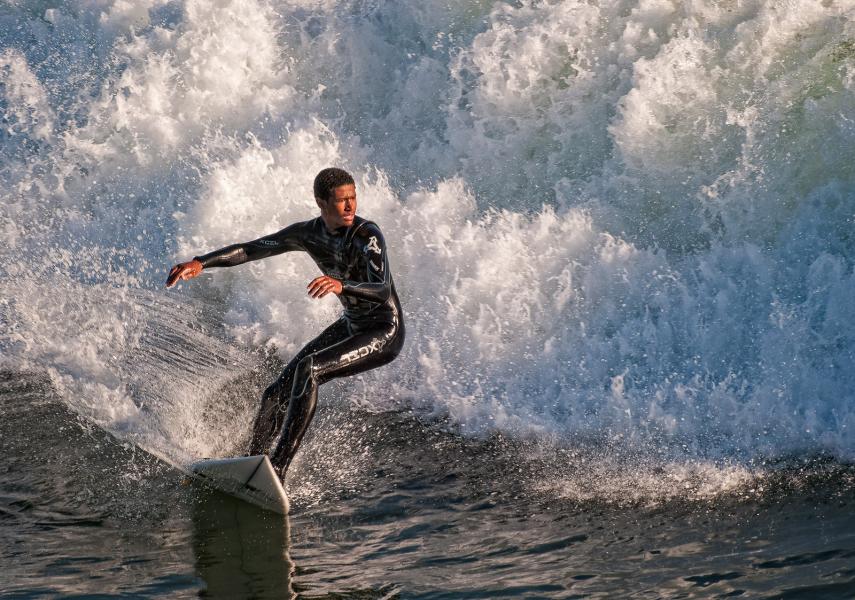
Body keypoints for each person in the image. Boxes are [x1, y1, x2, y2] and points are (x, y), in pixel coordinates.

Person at [166, 167, 405, 480]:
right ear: (322, 203)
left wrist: (341, 285)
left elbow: (383, 289)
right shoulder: (308, 234)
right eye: (341, 200)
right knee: (275, 393)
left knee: (310, 369)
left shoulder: (367, 236)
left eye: (353, 198)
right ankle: (252, 467)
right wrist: (201, 263)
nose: (350, 206)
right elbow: (252, 248)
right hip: (353, 325)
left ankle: (277, 468)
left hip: (384, 330)